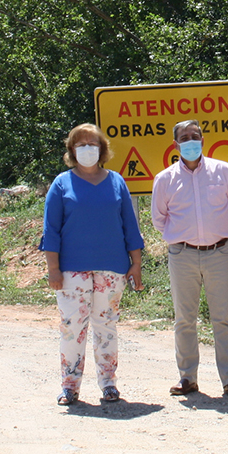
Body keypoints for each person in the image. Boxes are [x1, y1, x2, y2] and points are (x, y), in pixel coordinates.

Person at [40, 123, 145, 406]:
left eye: (92, 144)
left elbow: (130, 227)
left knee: (106, 326)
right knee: (73, 328)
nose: (87, 149)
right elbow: (51, 230)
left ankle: (108, 383)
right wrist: (53, 269)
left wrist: (136, 263)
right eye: (81, 144)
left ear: (102, 149)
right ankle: (70, 386)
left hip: (112, 268)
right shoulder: (61, 184)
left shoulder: (116, 182)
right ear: (72, 151)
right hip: (71, 271)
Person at [151, 119, 228, 398]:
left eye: (196, 135)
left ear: (203, 140)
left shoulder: (223, 170)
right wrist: (181, 236)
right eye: (185, 137)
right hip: (182, 254)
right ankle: (187, 378)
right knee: (184, 319)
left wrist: (222, 233)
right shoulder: (165, 179)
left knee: (224, 318)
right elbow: (159, 218)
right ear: (176, 144)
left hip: (218, 252)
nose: (191, 140)